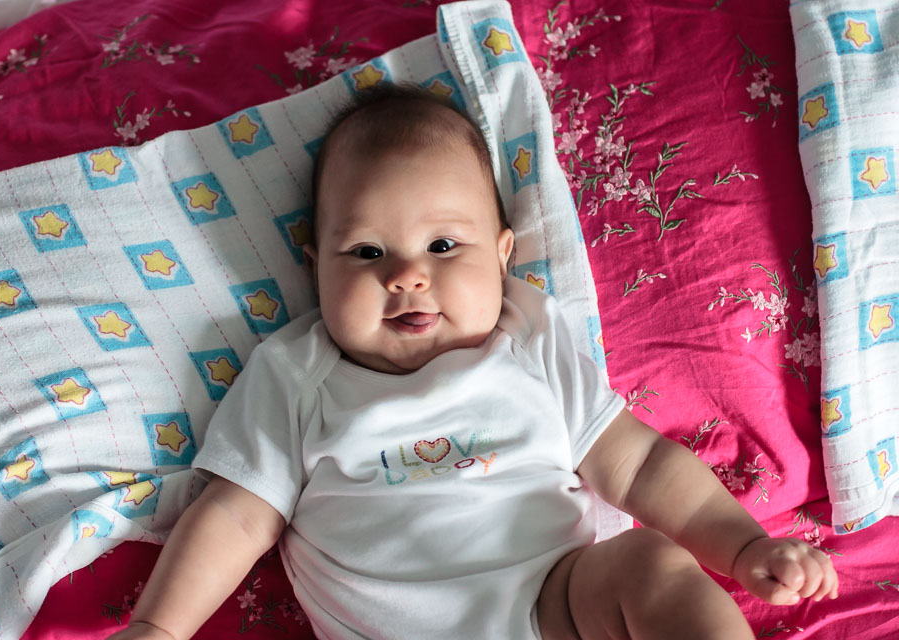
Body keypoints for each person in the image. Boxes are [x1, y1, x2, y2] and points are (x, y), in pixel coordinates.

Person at [107, 84, 838, 640]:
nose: (406, 276)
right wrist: (158, 627)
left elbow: (640, 465)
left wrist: (743, 546)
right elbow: (236, 515)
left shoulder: (529, 335)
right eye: (366, 252)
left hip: (557, 603)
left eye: (443, 246)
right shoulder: (295, 373)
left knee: (650, 566)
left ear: (502, 255)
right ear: (314, 268)